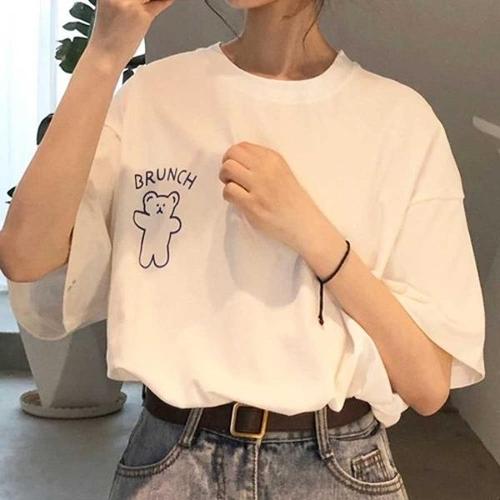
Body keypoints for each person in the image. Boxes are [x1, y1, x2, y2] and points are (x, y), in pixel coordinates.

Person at [0, 0, 486, 499]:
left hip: (337, 469)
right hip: (170, 464)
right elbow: (26, 256)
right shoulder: (155, 94)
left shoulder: (399, 121)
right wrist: (104, 53)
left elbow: (428, 386)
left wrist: (314, 236)